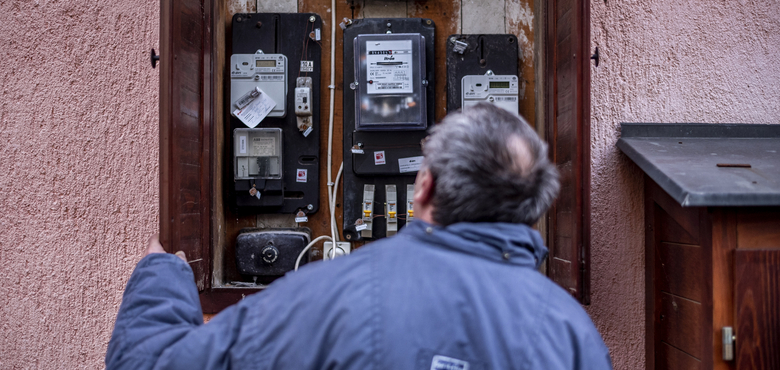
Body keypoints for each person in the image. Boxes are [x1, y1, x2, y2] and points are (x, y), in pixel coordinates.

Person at [106, 104, 612, 369]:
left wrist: (161, 276)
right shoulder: (572, 335)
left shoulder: (323, 297)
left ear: (425, 184)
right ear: (533, 208)